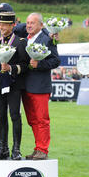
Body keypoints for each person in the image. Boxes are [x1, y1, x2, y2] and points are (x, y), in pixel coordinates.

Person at [0, 11, 29, 160]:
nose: (2, 27)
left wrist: (11, 68)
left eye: (5, 24)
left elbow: (25, 65)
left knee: (15, 115)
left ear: (13, 25)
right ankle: (2, 149)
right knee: (0, 116)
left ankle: (16, 149)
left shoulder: (20, 42)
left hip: (14, 85)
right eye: (0, 24)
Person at [22, 13, 60, 160]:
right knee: (32, 120)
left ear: (41, 25)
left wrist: (39, 64)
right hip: (25, 85)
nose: (29, 25)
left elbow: (56, 61)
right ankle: (38, 148)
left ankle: (43, 149)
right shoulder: (25, 38)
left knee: (42, 119)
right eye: (27, 22)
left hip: (40, 86)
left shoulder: (47, 38)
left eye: (32, 23)